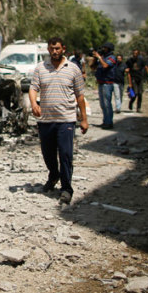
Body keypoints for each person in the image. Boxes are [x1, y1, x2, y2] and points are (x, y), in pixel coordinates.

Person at [28, 37, 88, 205]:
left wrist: (84, 119)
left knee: (66, 155)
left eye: (57, 48)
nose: (54, 51)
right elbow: (33, 88)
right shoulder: (41, 68)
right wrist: (34, 104)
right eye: (52, 48)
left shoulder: (73, 68)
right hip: (46, 120)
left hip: (66, 120)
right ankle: (53, 175)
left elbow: (80, 96)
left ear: (63, 49)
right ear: (48, 49)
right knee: (48, 154)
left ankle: (66, 188)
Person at [92, 42, 117, 129]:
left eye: (105, 48)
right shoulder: (103, 57)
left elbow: (105, 65)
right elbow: (92, 67)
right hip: (101, 82)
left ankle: (109, 122)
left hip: (107, 83)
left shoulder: (112, 58)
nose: (103, 49)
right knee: (102, 104)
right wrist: (95, 59)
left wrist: (99, 57)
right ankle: (105, 121)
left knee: (107, 104)